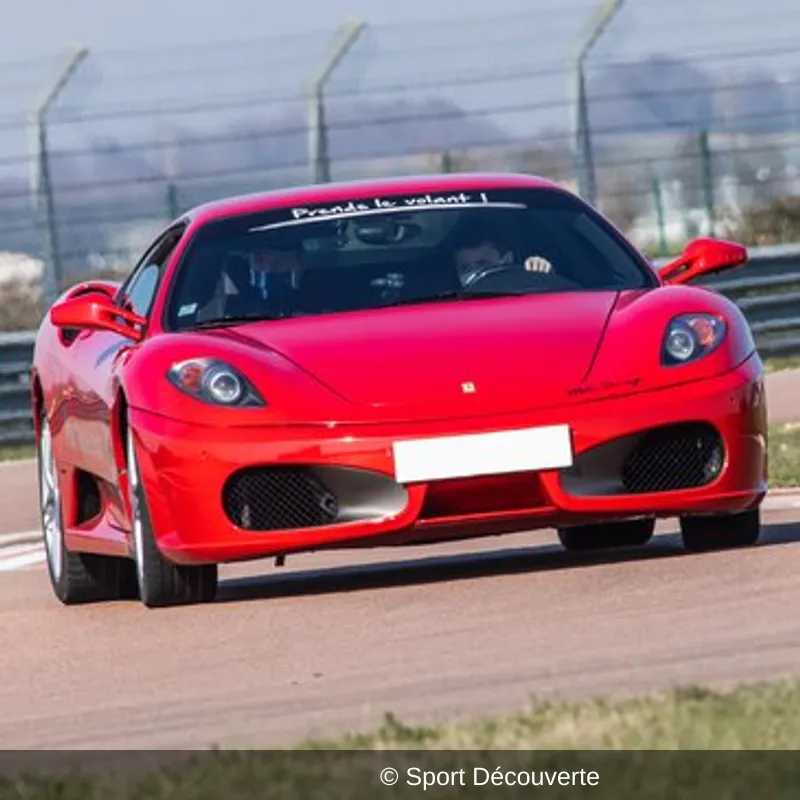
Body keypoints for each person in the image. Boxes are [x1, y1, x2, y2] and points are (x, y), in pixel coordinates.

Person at [452, 220, 553, 287]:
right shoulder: (452, 307)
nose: (473, 273)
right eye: (465, 268)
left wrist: (542, 274)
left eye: (482, 264)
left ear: (507, 259)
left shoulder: (526, 291)